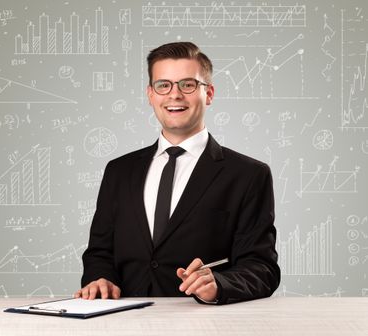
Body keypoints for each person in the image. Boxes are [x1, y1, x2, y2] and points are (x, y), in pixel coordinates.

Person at [75, 42, 280, 304]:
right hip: (123, 323)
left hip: (203, 326)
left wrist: (219, 285)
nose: (175, 95)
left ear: (209, 94)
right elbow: (100, 253)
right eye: (164, 85)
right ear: (151, 94)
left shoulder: (249, 175)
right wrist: (99, 279)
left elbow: (262, 268)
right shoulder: (119, 171)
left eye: (188, 84)